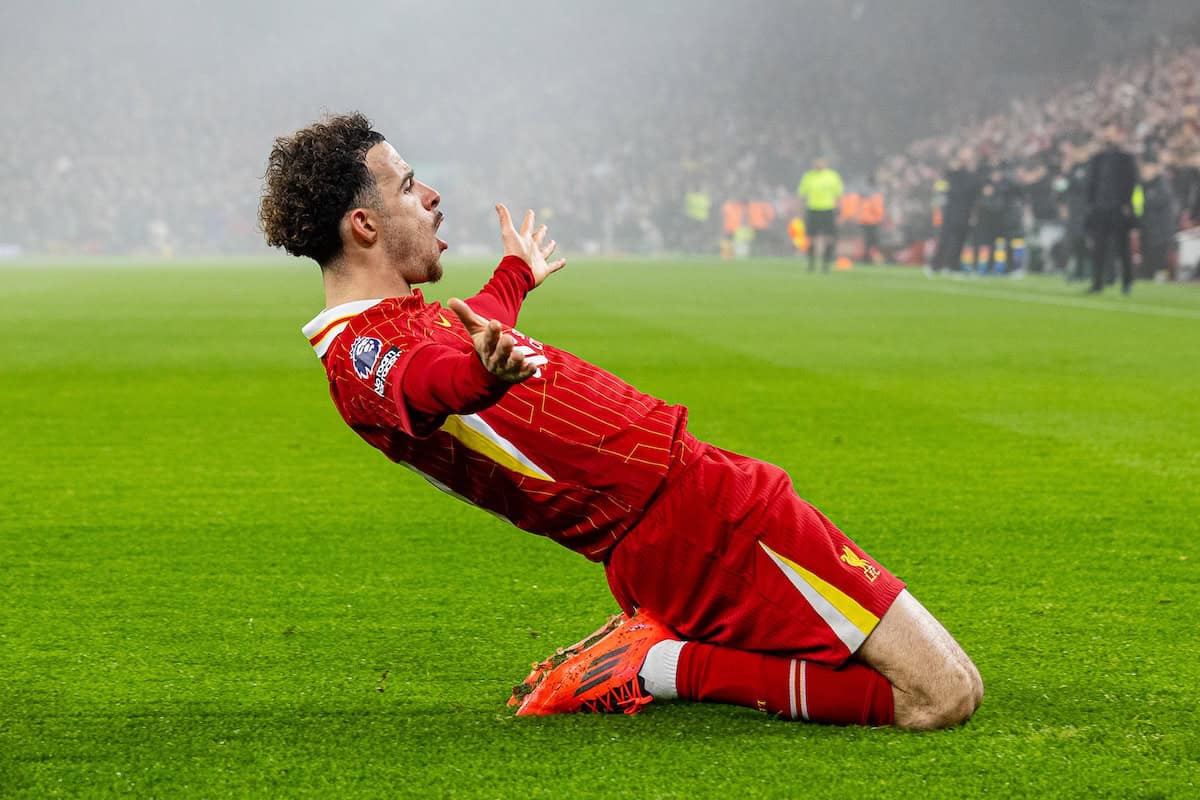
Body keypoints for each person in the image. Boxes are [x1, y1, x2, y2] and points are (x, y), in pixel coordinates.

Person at [260, 113, 982, 730]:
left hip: (696, 498)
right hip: (695, 527)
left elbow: (469, 335)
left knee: (951, 684)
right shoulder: (361, 357)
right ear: (364, 224)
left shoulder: (393, 324)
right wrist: (481, 374)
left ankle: (661, 651)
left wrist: (514, 277)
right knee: (939, 696)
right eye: (410, 185)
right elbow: (432, 381)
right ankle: (659, 665)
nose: (432, 195)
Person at [1086, 125, 1138, 294]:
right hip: (1100, 209)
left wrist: (1126, 204)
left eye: (1111, 132)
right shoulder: (1097, 158)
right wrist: (1092, 205)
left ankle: (1127, 283)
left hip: (1118, 209)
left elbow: (1132, 182)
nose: (1108, 136)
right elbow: (1091, 184)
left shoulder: (1126, 158)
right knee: (1098, 248)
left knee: (1123, 248)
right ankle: (1097, 283)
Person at [929, 148, 982, 275]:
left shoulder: (974, 175)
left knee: (960, 239)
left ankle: (953, 265)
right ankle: (936, 265)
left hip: (966, 211)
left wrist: (974, 213)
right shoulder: (953, 172)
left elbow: (976, 194)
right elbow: (945, 182)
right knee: (945, 238)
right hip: (951, 210)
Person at [796, 157, 844, 272]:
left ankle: (826, 263)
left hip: (828, 209)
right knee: (811, 238)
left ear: (825, 163)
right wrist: (800, 212)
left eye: (821, 162)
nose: (819, 164)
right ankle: (811, 263)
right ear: (813, 163)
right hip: (813, 209)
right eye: (817, 162)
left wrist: (838, 211)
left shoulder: (833, 176)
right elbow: (802, 195)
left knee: (829, 237)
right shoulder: (808, 176)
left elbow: (838, 195)